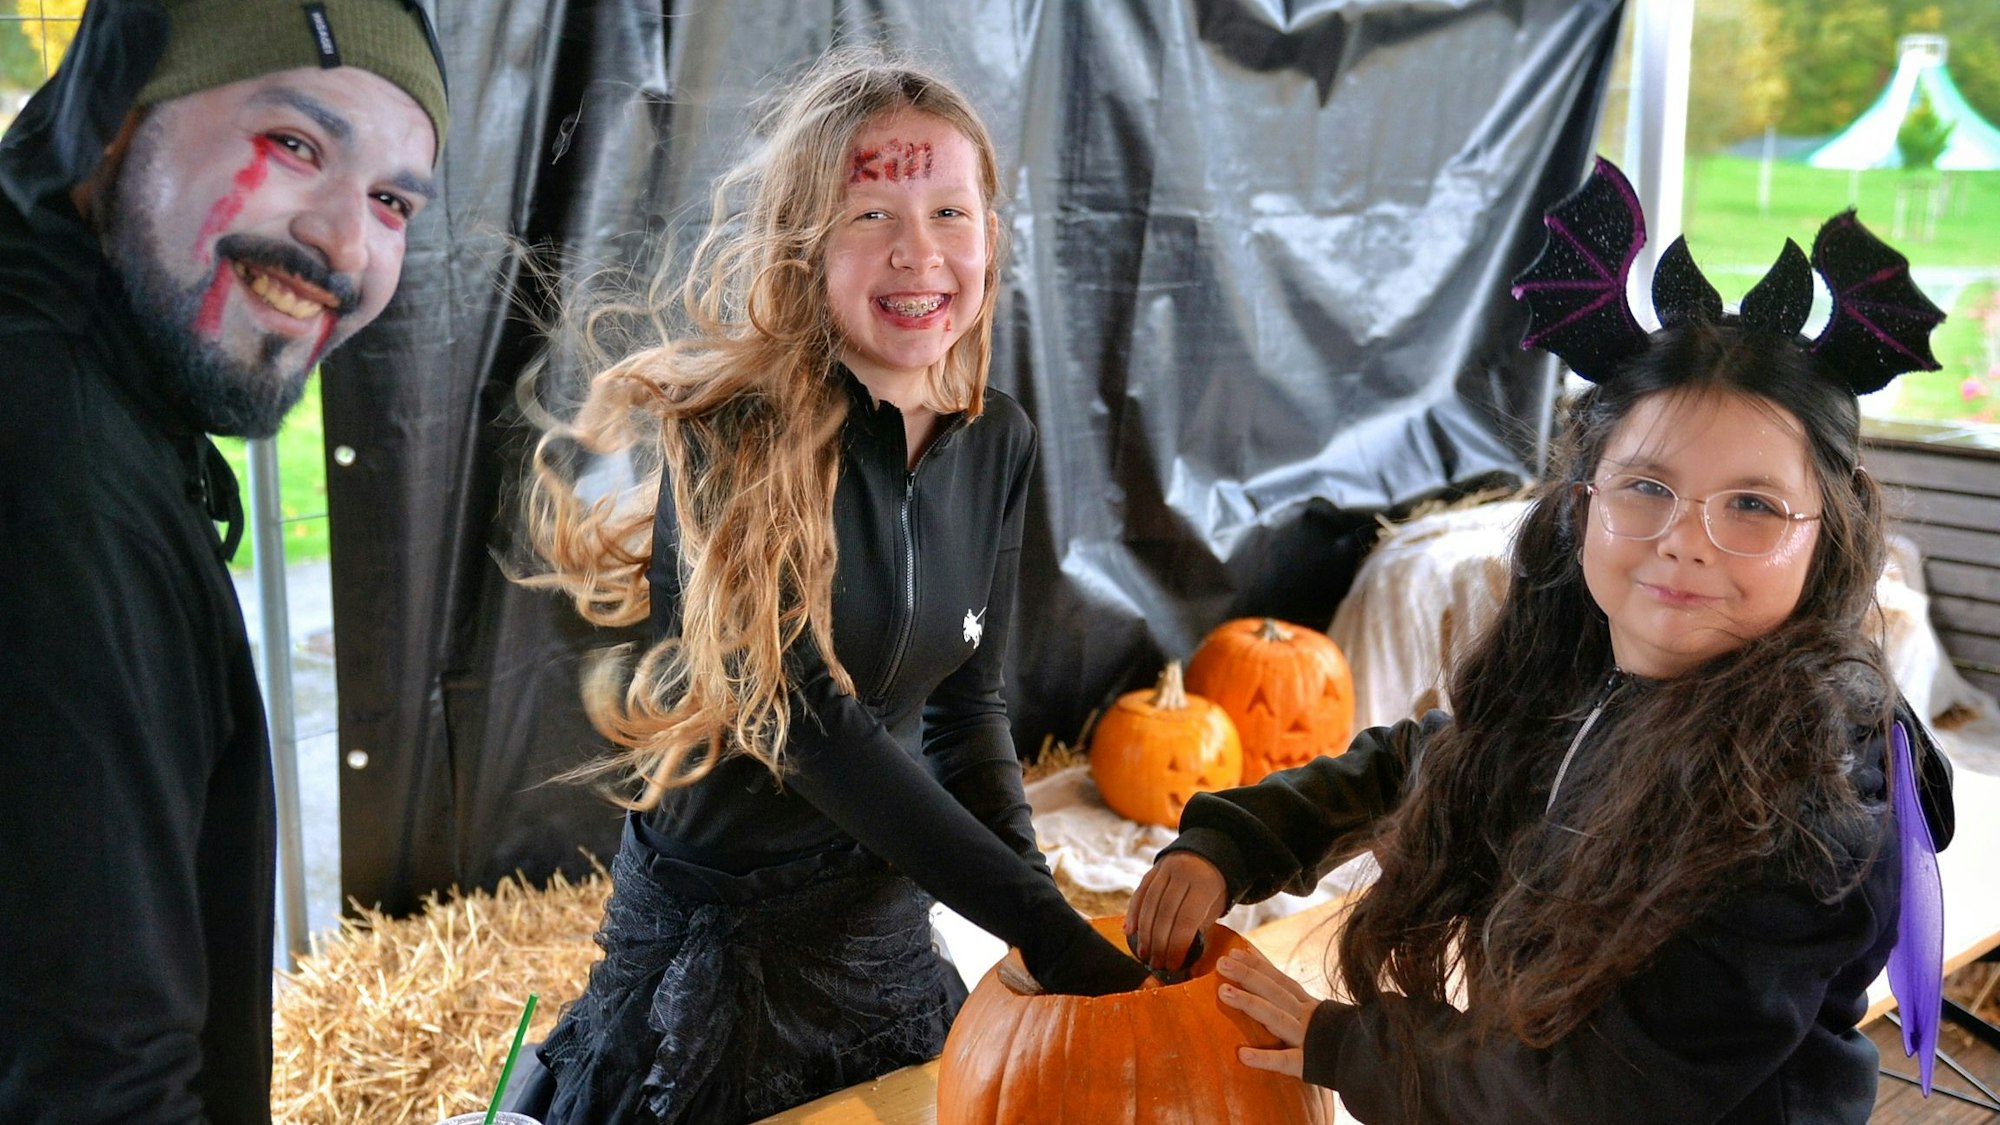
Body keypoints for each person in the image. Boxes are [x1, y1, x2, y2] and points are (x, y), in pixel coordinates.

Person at [1124, 158, 1957, 1124]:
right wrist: (1239, 839)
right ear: (1582, 504)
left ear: (1829, 540)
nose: (1687, 538)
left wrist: (1345, 1042)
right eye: (1648, 487)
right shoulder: (1596, 674)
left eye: (1754, 505)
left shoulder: (1808, 811)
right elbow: (1441, 762)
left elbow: (1602, 1097)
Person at [516, 49, 1150, 1125]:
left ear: (991, 235)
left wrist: (1032, 913)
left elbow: (966, 709)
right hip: (726, 960)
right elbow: (807, 722)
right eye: (871, 216)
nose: (919, 253)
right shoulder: (726, 440)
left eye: (950, 210)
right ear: (806, 243)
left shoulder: (998, 438)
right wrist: (1047, 934)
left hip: (882, 931)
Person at [0, 1, 447, 1120]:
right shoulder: (63, 485)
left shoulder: (85, 387)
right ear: (116, 124)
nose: (348, 244)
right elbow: (97, 1084)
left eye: (392, 201)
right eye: (296, 145)